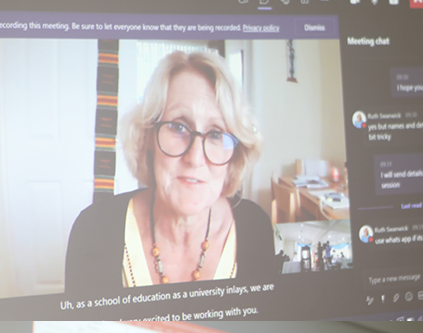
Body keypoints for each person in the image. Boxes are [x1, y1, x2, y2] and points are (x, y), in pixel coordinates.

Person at [65, 50, 274, 293]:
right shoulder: (93, 230)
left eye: (216, 134)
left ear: (235, 155)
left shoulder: (255, 229)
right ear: (148, 137)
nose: (195, 158)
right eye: (178, 127)